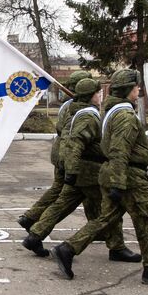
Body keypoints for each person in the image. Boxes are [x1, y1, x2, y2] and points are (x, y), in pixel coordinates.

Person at [51, 69, 148, 285]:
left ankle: (68, 249)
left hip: (117, 172)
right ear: (128, 89)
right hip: (128, 177)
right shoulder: (125, 116)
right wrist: (119, 183)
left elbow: (117, 146)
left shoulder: (115, 111)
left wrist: (141, 156)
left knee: (106, 219)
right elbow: (119, 150)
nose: (139, 89)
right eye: (136, 86)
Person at [22, 76, 132, 262]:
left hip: (80, 170)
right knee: (111, 208)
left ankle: (35, 235)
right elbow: (75, 144)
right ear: (90, 96)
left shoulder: (81, 111)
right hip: (88, 171)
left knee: (62, 204)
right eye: (98, 93)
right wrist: (71, 170)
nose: (100, 95)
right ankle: (116, 247)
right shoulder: (88, 116)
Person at [16, 69, 91, 234]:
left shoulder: (70, 105)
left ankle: (31, 217)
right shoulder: (75, 107)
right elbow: (68, 133)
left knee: (61, 191)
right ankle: (35, 222)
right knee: (70, 194)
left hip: (62, 152)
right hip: (67, 154)